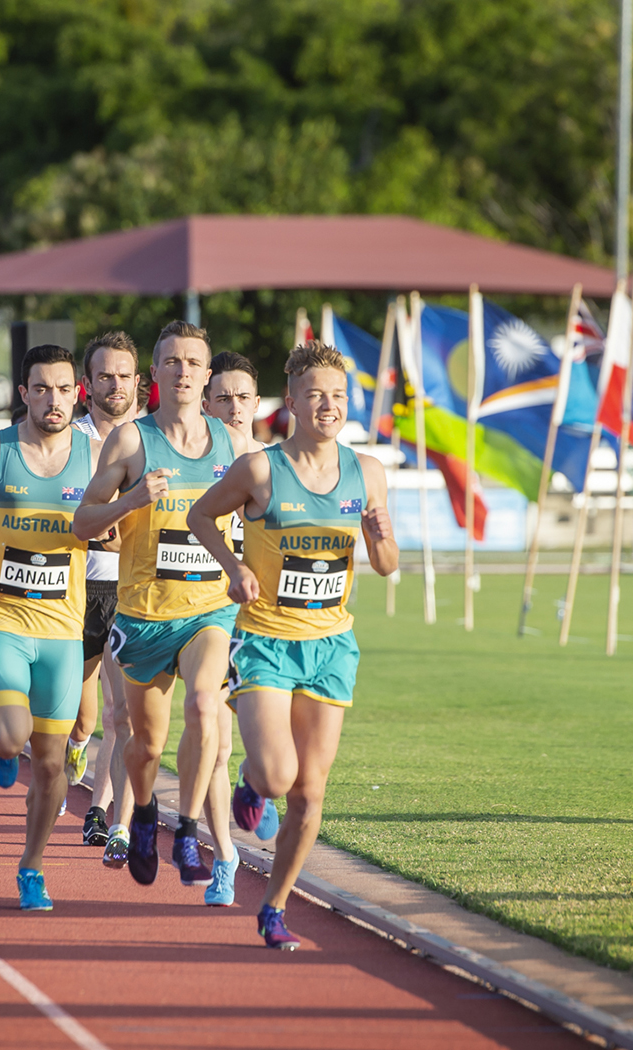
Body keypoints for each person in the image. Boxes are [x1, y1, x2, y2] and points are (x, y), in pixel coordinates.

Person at [186, 341, 398, 949]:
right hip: (266, 641)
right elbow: (200, 517)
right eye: (316, 395)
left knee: (310, 792)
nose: (329, 405)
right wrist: (234, 567)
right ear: (293, 403)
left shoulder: (367, 472)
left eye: (338, 395)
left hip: (331, 644)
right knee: (279, 777)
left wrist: (381, 535)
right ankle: (253, 781)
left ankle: (275, 907)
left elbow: (386, 564)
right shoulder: (261, 470)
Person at [74, 320, 252, 889]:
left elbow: (265, 518)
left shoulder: (234, 445)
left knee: (203, 706)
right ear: (155, 373)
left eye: (194, 362)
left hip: (210, 611)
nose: (183, 371)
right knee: (145, 744)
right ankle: (146, 815)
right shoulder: (131, 441)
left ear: (207, 374)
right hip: (146, 615)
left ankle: (190, 830)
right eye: (172, 362)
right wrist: (131, 500)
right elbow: (82, 523)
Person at [0, 343, 99, 911]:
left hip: (63, 629)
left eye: (63, 389)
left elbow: (123, 523)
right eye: (42, 388)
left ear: (77, 393)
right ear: (24, 393)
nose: (53, 399)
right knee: (9, 738)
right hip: (2, 617)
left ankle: (32, 867)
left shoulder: (96, 456)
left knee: (52, 766)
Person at [188, 350, 270, 906]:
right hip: (210, 619)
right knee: (213, 745)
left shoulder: (276, 466)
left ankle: (258, 779)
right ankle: (225, 858)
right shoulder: (193, 465)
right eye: (223, 398)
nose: (234, 407)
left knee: (270, 744)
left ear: (257, 402)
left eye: (243, 397)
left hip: (265, 626)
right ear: (206, 403)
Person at [69, 332, 138, 864]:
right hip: (70, 590)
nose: (115, 384)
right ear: (86, 384)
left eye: (124, 375)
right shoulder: (68, 441)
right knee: (77, 718)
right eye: (105, 375)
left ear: (139, 382)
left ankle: (106, 815)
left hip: (127, 591)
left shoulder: (152, 441)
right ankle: (73, 748)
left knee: (120, 713)